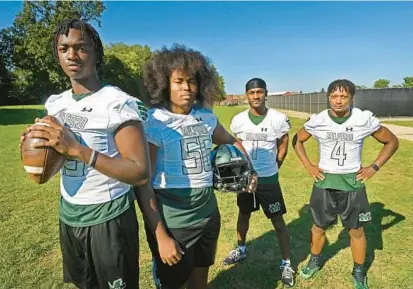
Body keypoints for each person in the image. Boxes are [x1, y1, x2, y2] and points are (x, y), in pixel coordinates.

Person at [21, 19, 151, 289]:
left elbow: (139, 172)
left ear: (96, 54)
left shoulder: (118, 103)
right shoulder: (56, 103)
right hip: (69, 213)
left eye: (81, 47)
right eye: (63, 48)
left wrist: (77, 150)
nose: (72, 55)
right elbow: (56, 152)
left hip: (108, 217)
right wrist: (38, 143)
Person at [141, 44, 258, 289]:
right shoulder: (154, 121)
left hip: (207, 213)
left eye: (192, 81)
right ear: (164, 83)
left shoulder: (205, 117)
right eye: (178, 81)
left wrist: (250, 170)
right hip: (174, 218)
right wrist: (160, 236)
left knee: (200, 279)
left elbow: (231, 141)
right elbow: (143, 183)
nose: (186, 87)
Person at [293, 79, 399, 289]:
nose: (338, 101)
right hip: (324, 183)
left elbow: (392, 141)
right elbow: (297, 140)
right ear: (328, 97)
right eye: (334, 96)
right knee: (318, 227)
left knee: (356, 231)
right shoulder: (319, 120)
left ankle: (359, 271)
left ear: (351, 98)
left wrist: (374, 167)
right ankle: (315, 259)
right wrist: (309, 165)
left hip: (352, 184)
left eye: (343, 96)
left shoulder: (363, 119)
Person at [223, 78, 295, 287]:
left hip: (268, 178)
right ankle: (241, 249)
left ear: (266, 93)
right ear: (247, 95)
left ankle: (286, 263)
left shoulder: (278, 119)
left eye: (259, 92)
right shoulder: (238, 120)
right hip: (245, 178)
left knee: (278, 220)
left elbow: (283, 143)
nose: (256, 96)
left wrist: (276, 166)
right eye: (252, 92)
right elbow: (237, 144)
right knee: (243, 213)